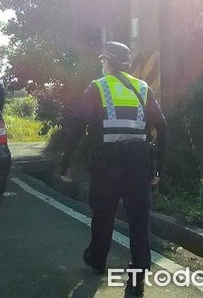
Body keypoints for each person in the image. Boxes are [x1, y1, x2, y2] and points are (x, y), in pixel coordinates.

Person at [59, 41, 168, 296]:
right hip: (138, 166)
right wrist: (158, 168)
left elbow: (76, 127)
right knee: (139, 220)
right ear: (127, 64)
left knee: (103, 215)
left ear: (107, 62)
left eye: (103, 61)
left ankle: (98, 261)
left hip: (107, 166)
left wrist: (65, 162)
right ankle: (139, 271)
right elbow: (163, 127)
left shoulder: (97, 88)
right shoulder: (142, 88)